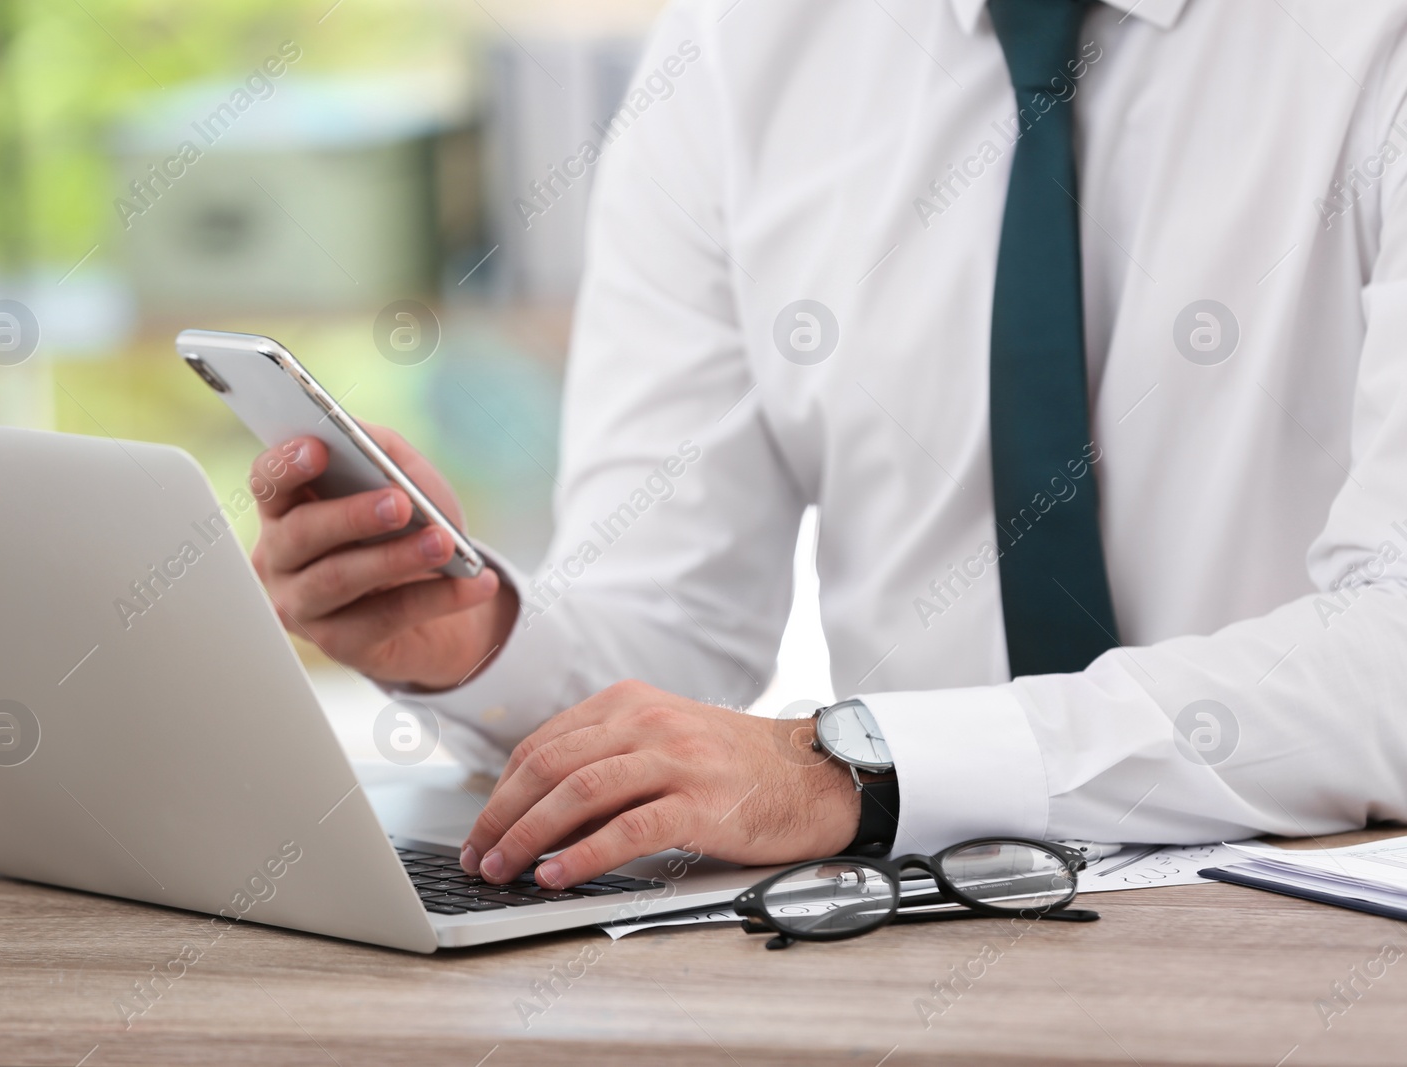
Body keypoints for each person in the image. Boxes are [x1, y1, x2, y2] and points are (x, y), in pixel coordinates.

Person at [250, 0, 1407, 891]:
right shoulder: (740, 47)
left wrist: (853, 764)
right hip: (903, 937)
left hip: (1306, 926)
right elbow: (670, 627)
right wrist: (480, 643)